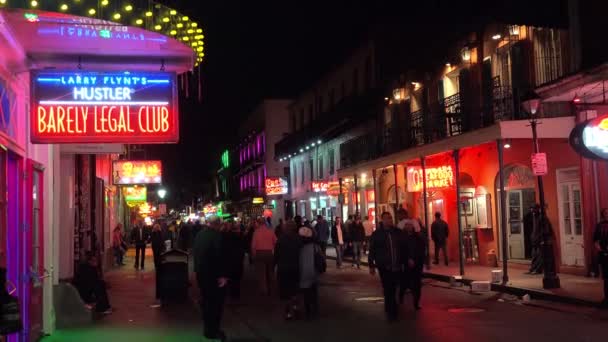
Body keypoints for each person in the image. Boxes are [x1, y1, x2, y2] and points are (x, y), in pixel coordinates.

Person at [193, 216, 229, 341]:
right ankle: (213, 330)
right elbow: (219, 256)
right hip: (213, 276)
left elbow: (196, 253)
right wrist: (222, 275)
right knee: (216, 304)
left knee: (206, 302)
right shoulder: (217, 236)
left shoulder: (199, 235)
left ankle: (208, 329)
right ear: (217, 224)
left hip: (201, 274)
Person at [368, 212, 409, 322]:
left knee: (394, 287)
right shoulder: (377, 234)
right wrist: (371, 265)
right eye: (386, 218)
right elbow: (372, 250)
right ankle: (392, 310)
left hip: (397, 265)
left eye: (390, 218)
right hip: (384, 266)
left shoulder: (397, 232)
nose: (389, 220)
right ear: (382, 220)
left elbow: (403, 247)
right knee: (388, 288)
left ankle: (390, 305)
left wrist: (406, 260)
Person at [274, 220, 302, 320]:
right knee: (295, 289)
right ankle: (295, 307)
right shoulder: (298, 239)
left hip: (284, 268)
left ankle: (288, 313)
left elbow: (276, 255)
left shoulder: (281, 239)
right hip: (295, 267)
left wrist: (275, 266)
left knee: (285, 291)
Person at [402, 217, 426, 310]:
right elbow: (401, 250)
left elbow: (422, 249)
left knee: (417, 283)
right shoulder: (402, 237)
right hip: (406, 264)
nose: (409, 227)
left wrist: (423, 261)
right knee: (406, 282)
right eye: (407, 226)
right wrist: (407, 259)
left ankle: (416, 302)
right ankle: (401, 298)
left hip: (417, 263)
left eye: (410, 226)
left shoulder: (418, 237)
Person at [251, 217, 277, 296]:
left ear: (258, 223)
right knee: (270, 271)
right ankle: (271, 288)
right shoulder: (271, 231)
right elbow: (276, 242)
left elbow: (253, 246)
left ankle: (264, 289)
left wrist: (253, 255)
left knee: (261, 273)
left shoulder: (256, 232)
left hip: (260, 253)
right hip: (269, 253)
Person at [298, 226, 320, 320]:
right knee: (313, 291)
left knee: (306, 293)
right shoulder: (315, 246)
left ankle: (308, 311)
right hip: (313, 272)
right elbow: (320, 258)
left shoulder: (299, 247)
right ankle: (314, 309)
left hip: (303, 271)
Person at [223, 222, 246, 300]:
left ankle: (231, 294)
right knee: (237, 278)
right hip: (238, 260)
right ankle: (236, 294)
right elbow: (243, 248)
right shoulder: (240, 236)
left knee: (230, 278)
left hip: (229, 260)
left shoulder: (227, 236)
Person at [594, 208, 608, 307]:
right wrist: (598, 247)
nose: (607, 215)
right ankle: (606, 298)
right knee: (606, 278)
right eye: (606, 213)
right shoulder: (599, 225)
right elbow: (595, 239)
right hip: (603, 254)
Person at [527, 205, 543, 274]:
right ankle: (532, 269)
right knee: (534, 255)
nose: (532, 210)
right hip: (534, 239)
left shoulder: (541, 217)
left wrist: (541, 239)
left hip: (539, 239)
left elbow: (543, 229)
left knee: (539, 255)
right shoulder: (533, 217)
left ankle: (538, 270)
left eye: (533, 209)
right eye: (531, 209)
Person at [151, 223, 165, 303]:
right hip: (158, 252)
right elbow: (160, 243)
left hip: (157, 252)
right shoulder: (159, 234)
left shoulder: (155, 234)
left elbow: (154, 243)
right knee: (159, 268)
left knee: (157, 262)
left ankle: (159, 294)